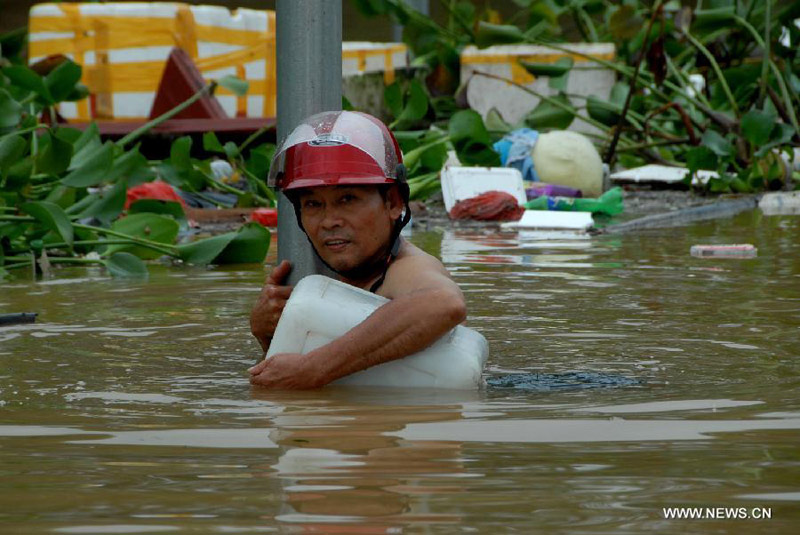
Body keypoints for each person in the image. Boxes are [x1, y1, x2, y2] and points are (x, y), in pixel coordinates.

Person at [248, 110, 466, 389]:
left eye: (347, 199)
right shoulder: (328, 279)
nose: (329, 221)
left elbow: (445, 303)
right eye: (313, 205)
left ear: (393, 203)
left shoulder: (405, 268)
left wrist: (314, 368)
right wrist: (264, 331)